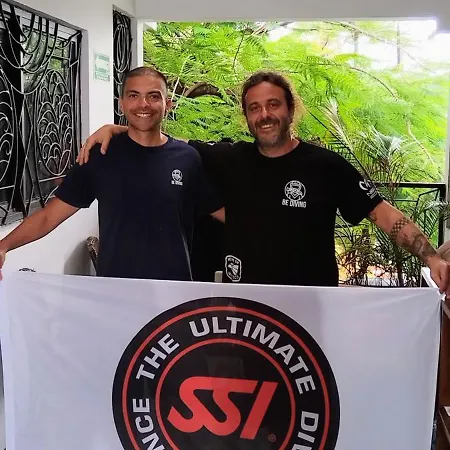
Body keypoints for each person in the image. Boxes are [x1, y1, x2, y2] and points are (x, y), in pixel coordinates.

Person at [78, 70, 450, 294]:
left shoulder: (327, 167)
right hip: (246, 310)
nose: (264, 115)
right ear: (246, 116)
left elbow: (384, 215)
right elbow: (158, 139)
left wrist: (431, 257)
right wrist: (117, 128)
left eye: (273, 104)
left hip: (310, 304)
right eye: (254, 108)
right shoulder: (228, 158)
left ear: (290, 109)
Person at [0, 67, 224, 281]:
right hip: (115, 290)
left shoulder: (187, 158)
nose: (143, 104)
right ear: (122, 104)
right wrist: (3, 246)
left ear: (168, 105)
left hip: (173, 289)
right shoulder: (101, 155)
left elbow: (221, 212)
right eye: (134, 95)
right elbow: (48, 217)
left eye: (154, 96)